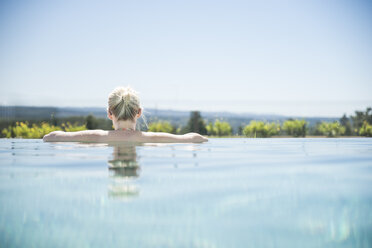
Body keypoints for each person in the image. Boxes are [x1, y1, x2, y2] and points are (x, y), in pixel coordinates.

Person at [43, 87, 208, 143]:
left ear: (109, 113)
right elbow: (195, 138)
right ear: (139, 113)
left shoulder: (96, 137)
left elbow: (50, 137)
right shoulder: (151, 139)